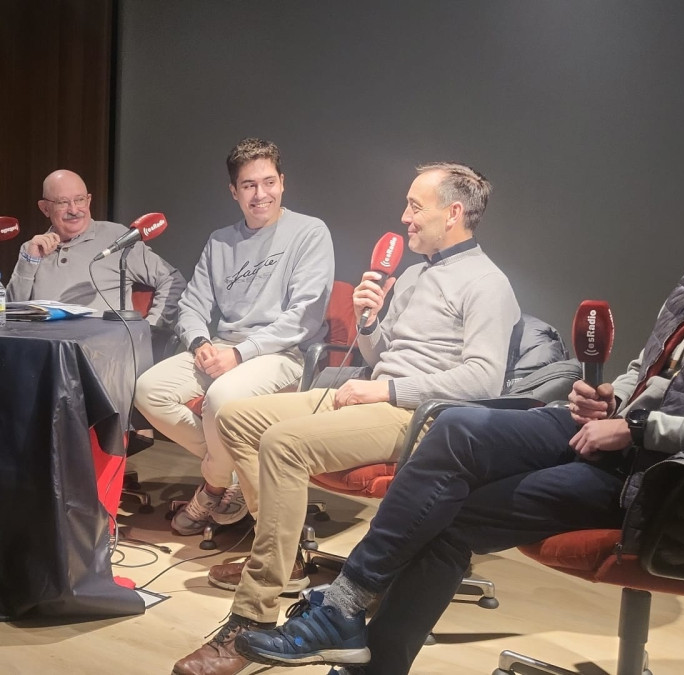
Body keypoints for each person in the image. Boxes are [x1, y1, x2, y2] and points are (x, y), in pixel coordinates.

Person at [231, 125, 684, 675]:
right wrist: (614, 396)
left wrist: (641, 427)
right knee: (459, 435)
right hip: (634, 441)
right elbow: (651, 367)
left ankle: (342, 618)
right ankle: (348, 621)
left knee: (448, 498)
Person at [171, 162, 522, 675]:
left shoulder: (488, 283)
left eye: (414, 206)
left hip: (420, 417)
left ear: (453, 213)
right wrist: (370, 320)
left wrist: (387, 389)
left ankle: (253, 618)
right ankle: (284, 560)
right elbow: (381, 353)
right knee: (237, 419)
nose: (404, 217)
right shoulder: (415, 273)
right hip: (378, 397)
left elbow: (484, 380)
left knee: (284, 444)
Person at [134, 138, 335, 537]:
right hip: (224, 350)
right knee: (147, 390)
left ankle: (210, 488)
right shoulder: (220, 241)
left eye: (268, 182)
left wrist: (240, 355)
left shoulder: (310, 233)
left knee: (221, 399)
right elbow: (191, 304)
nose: (260, 194)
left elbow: (305, 317)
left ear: (282, 182)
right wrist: (198, 343)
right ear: (234, 191)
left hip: (281, 352)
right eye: (248, 185)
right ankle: (240, 471)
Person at [5, 170, 186, 326]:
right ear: (45, 208)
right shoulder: (33, 249)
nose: (74, 210)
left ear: (89, 200)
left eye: (80, 200)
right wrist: (30, 260)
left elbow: (172, 280)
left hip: (102, 354)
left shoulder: (118, 238)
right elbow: (10, 314)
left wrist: (150, 328)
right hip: (46, 350)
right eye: (62, 202)